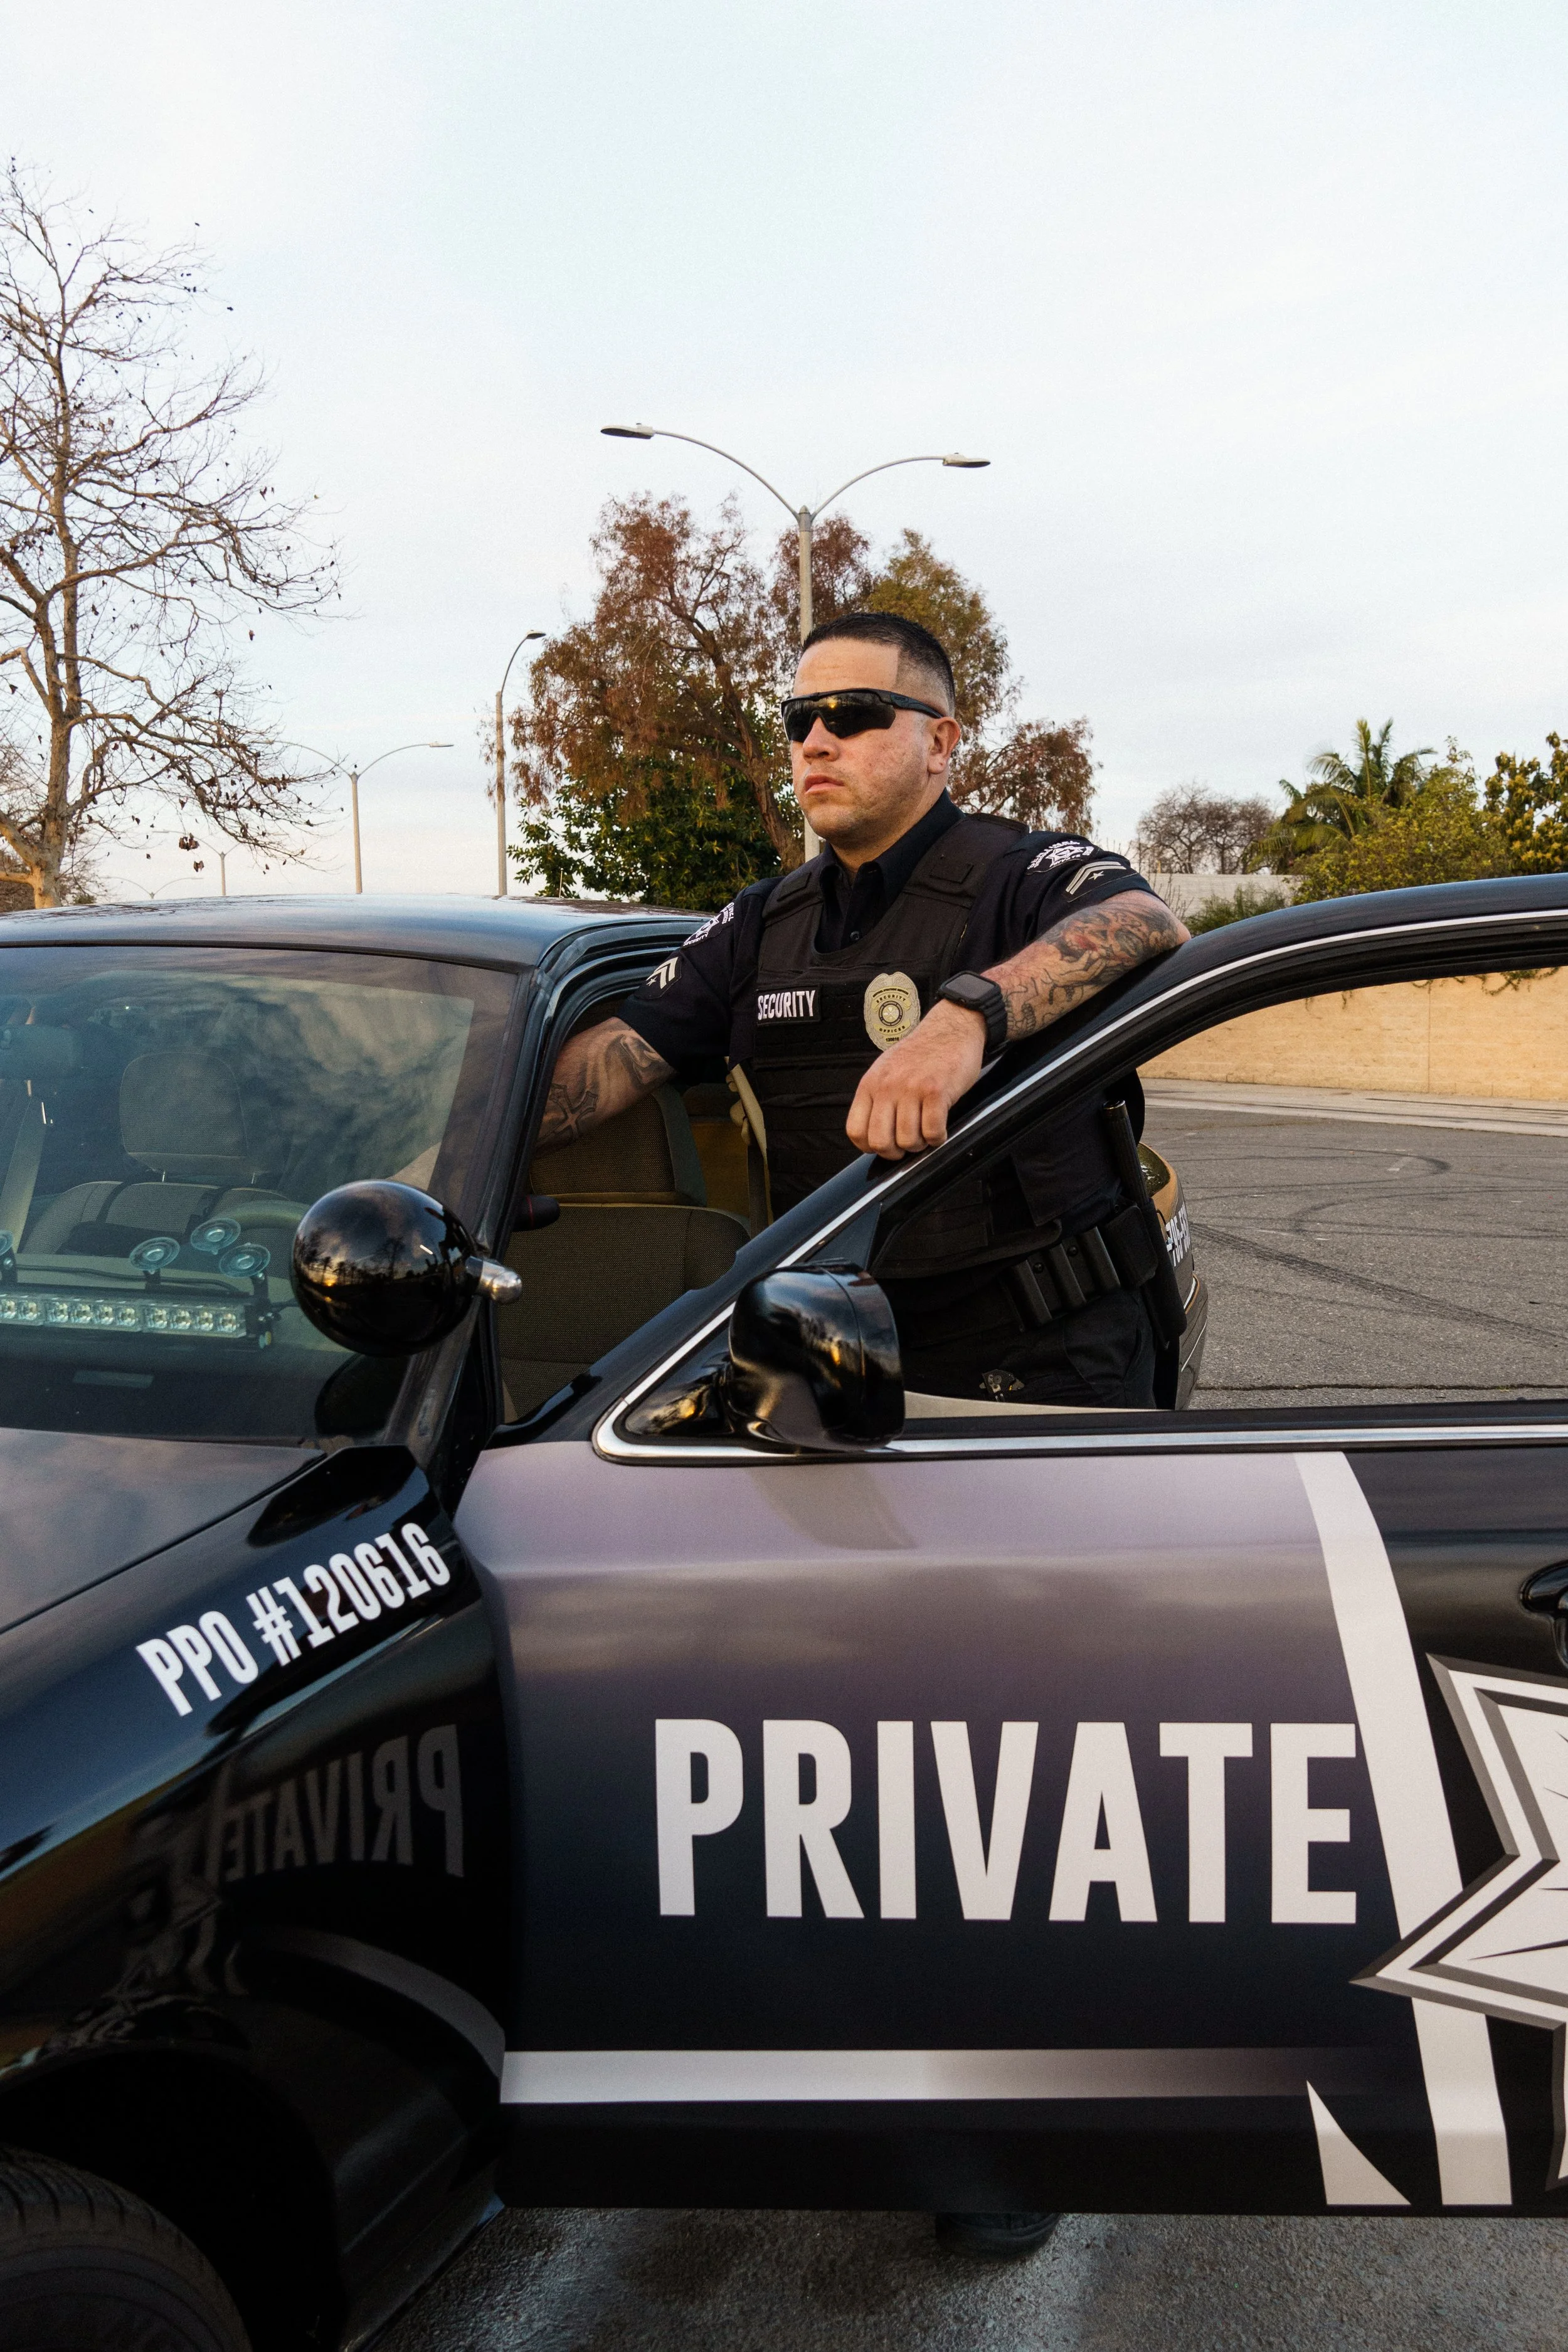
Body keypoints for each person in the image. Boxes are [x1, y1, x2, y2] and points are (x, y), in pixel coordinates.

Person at [538, 608, 1189, 1416]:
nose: (814, 742)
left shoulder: (1019, 877)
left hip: (1039, 1361)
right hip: (835, 1353)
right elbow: (616, 1056)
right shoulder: (760, 923)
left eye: (850, 716)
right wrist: (440, 1140)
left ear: (940, 743)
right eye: (798, 719)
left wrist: (966, 1018)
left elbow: (1145, 922)